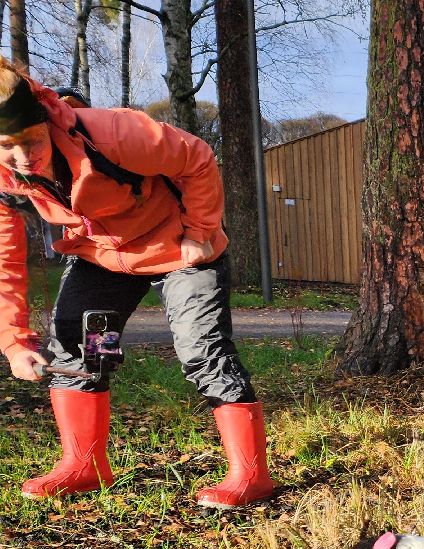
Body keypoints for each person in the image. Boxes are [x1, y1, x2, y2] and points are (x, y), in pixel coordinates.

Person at [0, 62, 272, 507]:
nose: (24, 156)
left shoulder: (114, 134)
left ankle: (251, 475)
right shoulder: (4, 180)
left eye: (31, 139)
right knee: (79, 346)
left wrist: (201, 231)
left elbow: (197, 157)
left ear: (46, 119)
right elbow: (4, 262)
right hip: (105, 258)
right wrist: (13, 342)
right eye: (7, 146)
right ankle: (85, 466)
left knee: (202, 349)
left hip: (182, 249)